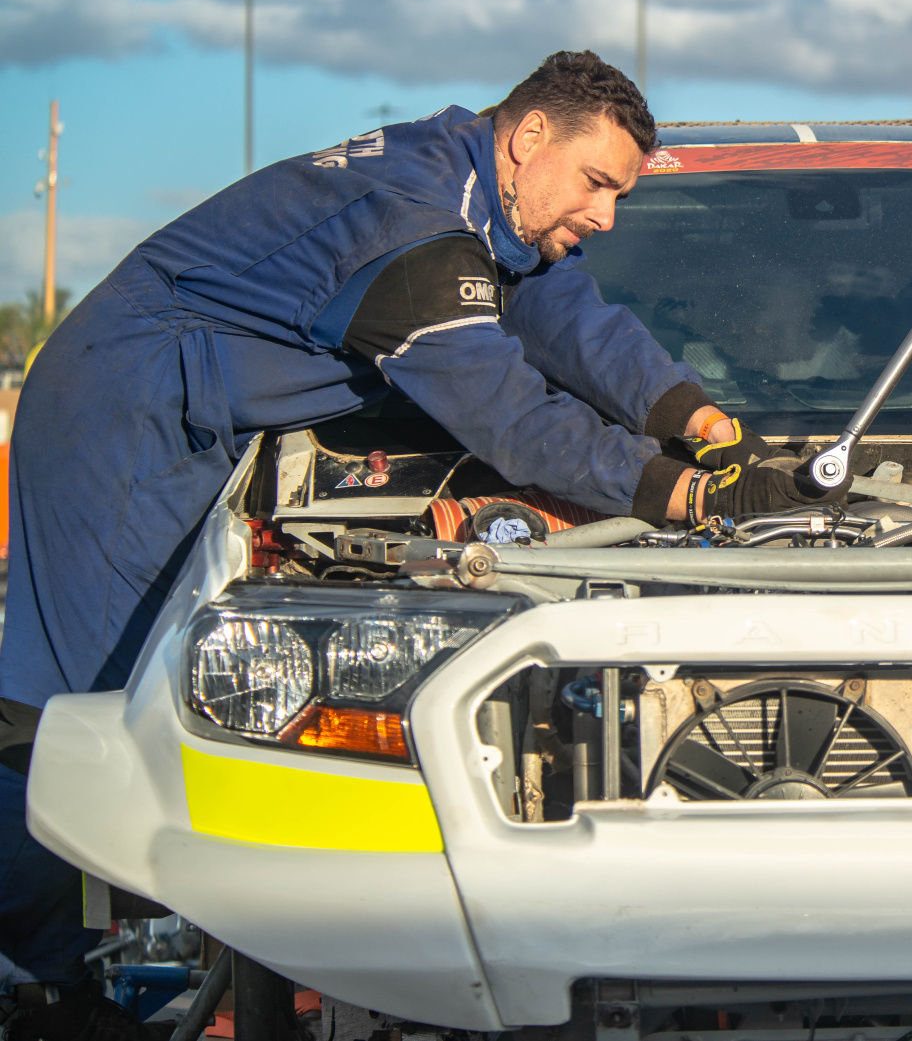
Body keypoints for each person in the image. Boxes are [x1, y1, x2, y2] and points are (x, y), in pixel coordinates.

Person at [0, 50, 832, 1040]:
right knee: (70, 700)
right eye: (598, 184)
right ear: (530, 139)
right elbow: (514, 419)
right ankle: (49, 987)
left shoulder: (491, 203)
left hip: (206, 408)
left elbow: (575, 325)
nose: (607, 216)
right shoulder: (416, 224)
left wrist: (704, 425)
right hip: (128, 410)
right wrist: (685, 497)